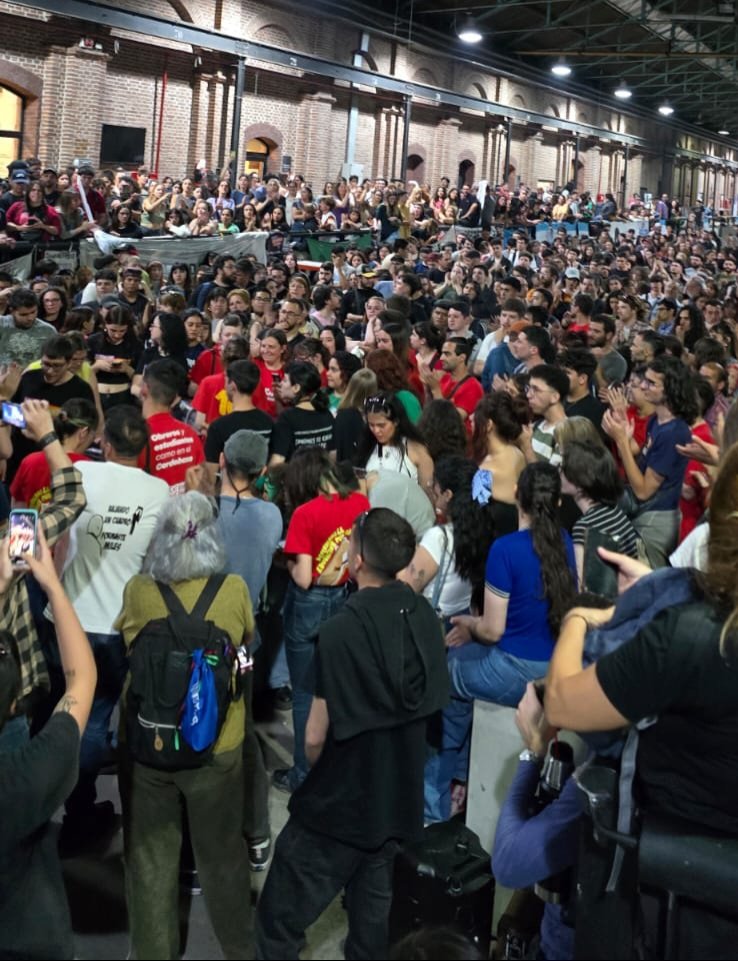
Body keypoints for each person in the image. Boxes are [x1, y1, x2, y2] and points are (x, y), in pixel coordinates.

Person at [255, 507, 449, 959]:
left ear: (357, 560)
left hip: (339, 808)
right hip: (397, 806)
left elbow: (314, 737)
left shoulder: (341, 631)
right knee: (371, 931)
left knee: (277, 922)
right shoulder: (424, 616)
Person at [115, 492, 253, 960]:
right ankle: (239, 949)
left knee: (149, 860)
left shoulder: (139, 590)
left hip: (148, 742)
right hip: (217, 745)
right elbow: (245, 640)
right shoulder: (233, 589)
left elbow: (127, 641)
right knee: (223, 857)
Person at [40, 405, 169, 849]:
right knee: (95, 721)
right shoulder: (159, 491)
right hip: (116, 625)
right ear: (142, 448)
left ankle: (42, 804)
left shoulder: (83, 476)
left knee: (55, 709)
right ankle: (79, 809)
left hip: (66, 617)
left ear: (105, 444)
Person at [428, 463, 577, 821]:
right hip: (554, 664)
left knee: (445, 675)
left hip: (514, 667)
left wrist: (469, 623)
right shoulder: (566, 541)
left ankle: (434, 802)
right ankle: (462, 779)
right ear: (557, 502)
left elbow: (493, 631)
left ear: (517, 497)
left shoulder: (506, 549)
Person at [0, 525, 97, 960]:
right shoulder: (30, 774)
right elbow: (82, 678)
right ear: (12, 706)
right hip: (29, 940)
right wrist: (54, 586)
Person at [272, 450, 370, 793]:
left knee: (304, 693)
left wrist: (285, 560)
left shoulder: (305, 514)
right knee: (332, 686)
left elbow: (302, 578)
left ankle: (303, 774)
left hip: (307, 603)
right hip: (343, 599)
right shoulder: (358, 502)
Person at [603, 355, 694, 564]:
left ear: (670, 389)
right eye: (644, 380)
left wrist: (621, 442)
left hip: (655, 520)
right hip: (644, 513)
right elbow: (637, 459)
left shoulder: (673, 432)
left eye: (651, 383)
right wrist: (624, 431)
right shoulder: (656, 421)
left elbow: (643, 491)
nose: (643, 386)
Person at [559, 439, 640, 591]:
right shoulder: (615, 512)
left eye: (564, 469)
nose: (560, 473)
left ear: (580, 481)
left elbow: (582, 587)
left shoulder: (584, 527)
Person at [139, 359, 205, 495]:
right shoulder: (190, 435)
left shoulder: (137, 437)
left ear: (145, 389)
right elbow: (201, 481)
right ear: (175, 396)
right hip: (184, 507)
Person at [203, 359, 273, 482]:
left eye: (226, 380)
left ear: (233, 386)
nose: (224, 385)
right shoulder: (268, 422)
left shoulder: (219, 427)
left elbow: (210, 477)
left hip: (229, 489)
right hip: (260, 488)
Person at [357, 390, 434, 494]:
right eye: (371, 425)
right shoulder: (367, 447)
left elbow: (429, 494)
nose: (376, 430)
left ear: (396, 421)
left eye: (381, 425)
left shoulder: (416, 450)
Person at [269, 362, 336, 466]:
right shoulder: (327, 414)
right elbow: (333, 454)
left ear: (296, 387)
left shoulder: (287, 418)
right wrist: (278, 400)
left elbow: (278, 461)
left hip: (296, 475)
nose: (280, 384)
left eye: (285, 380)